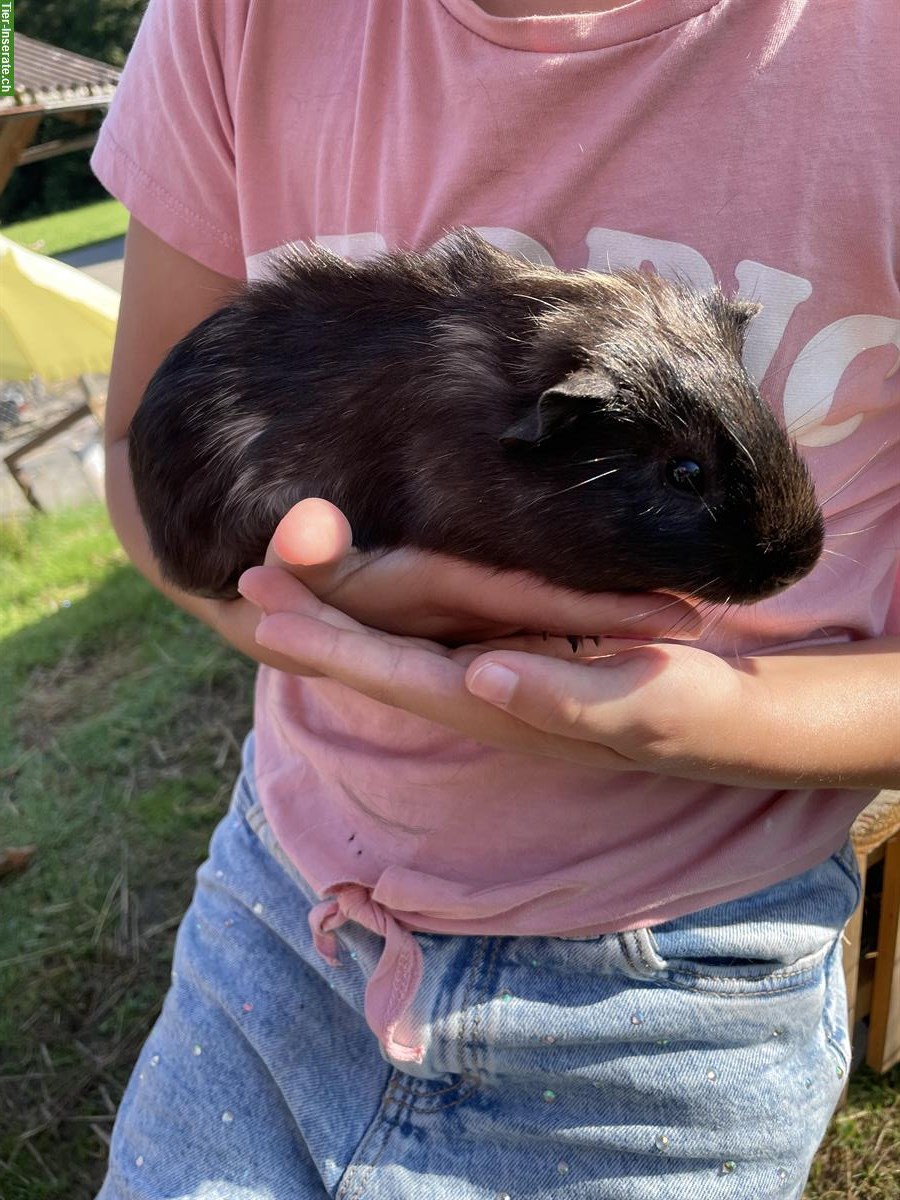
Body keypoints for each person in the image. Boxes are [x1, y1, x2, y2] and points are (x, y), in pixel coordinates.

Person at [91, 1, 899, 1196]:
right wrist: (295, 611)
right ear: (548, 433)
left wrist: (697, 720)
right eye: (685, 480)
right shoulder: (233, 20)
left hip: (686, 967)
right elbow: (142, 461)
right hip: (286, 901)